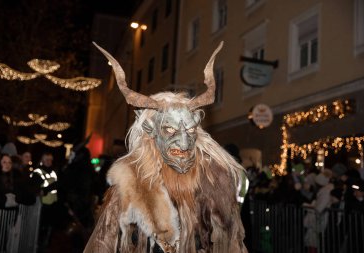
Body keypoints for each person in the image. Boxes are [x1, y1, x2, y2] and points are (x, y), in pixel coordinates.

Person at [84, 42, 248, 252]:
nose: (183, 143)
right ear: (151, 130)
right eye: (170, 131)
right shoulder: (129, 184)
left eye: (189, 131)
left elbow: (232, 243)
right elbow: (102, 243)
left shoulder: (215, 182)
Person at [31, 152, 58, 250]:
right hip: (42, 205)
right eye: (46, 159)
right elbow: (37, 189)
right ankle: (39, 246)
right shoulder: (37, 172)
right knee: (41, 227)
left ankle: (46, 245)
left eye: (50, 159)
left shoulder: (53, 171)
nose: (49, 161)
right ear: (42, 160)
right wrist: (52, 187)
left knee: (50, 227)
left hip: (53, 204)